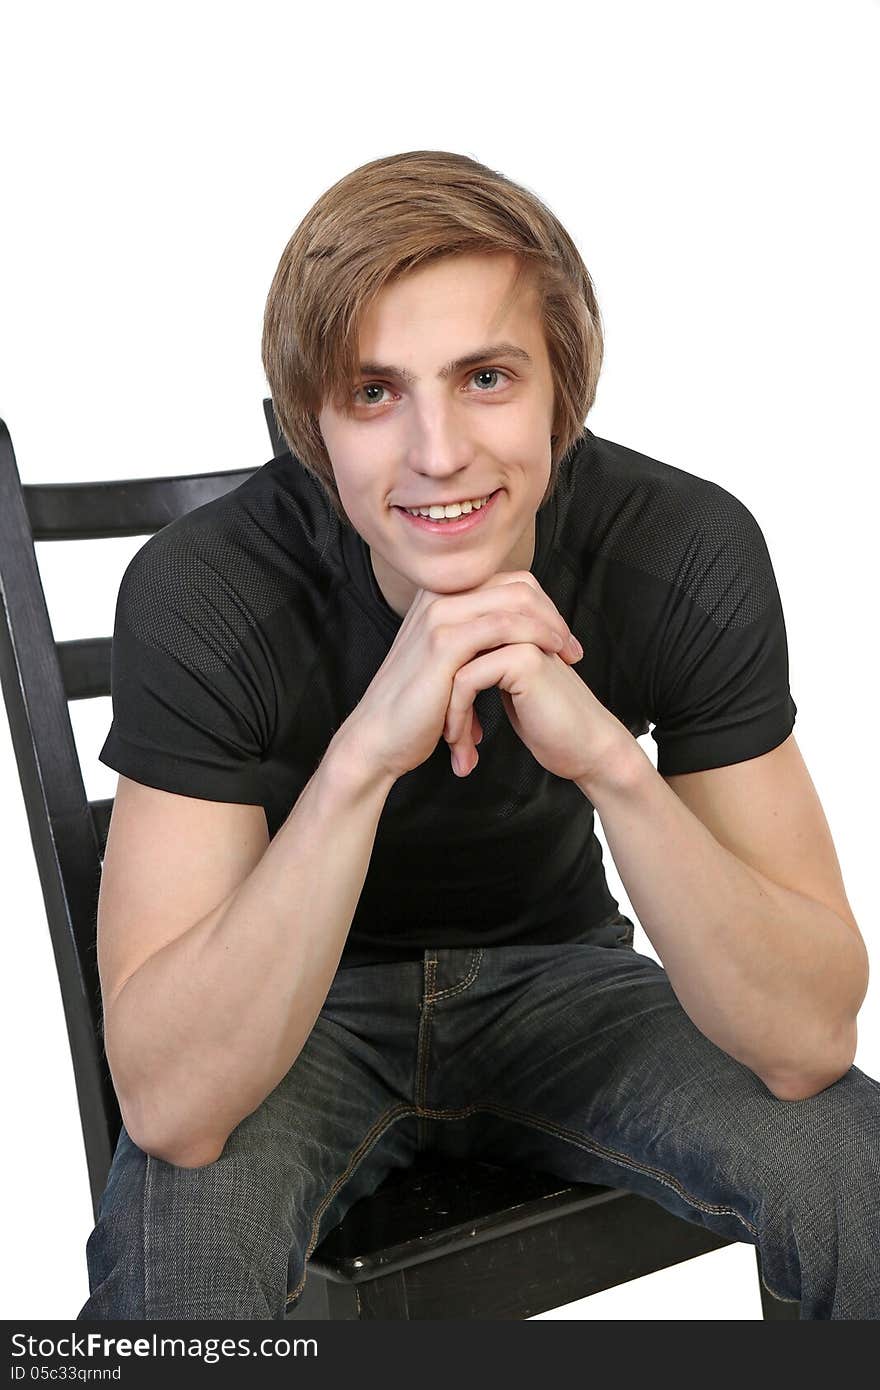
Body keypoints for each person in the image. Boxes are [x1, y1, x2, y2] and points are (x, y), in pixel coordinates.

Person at [77, 149, 878, 1322]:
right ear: (312, 421)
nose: (438, 452)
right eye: (372, 392)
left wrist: (611, 762)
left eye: (487, 377)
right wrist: (363, 757)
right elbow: (173, 1107)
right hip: (294, 1013)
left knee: (853, 1169)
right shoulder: (205, 590)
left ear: (568, 390)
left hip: (567, 986)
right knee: (182, 1267)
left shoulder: (681, 547)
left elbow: (805, 1038)